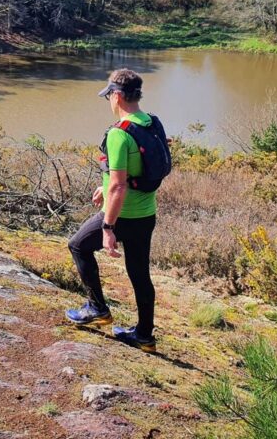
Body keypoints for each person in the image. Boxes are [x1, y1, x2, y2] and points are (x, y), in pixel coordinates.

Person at [65, 68, 166, 353]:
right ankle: (145, 336)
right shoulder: (151, 123)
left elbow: (120, 187)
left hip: (121, 215)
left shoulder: (119, 134)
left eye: (109, 95)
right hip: (146, 214)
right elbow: (137, 170)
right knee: (139, 274)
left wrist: (108, 228)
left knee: (78, 247)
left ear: (118, 95)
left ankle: (97, 309)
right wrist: (104, 185)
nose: (108, 100)